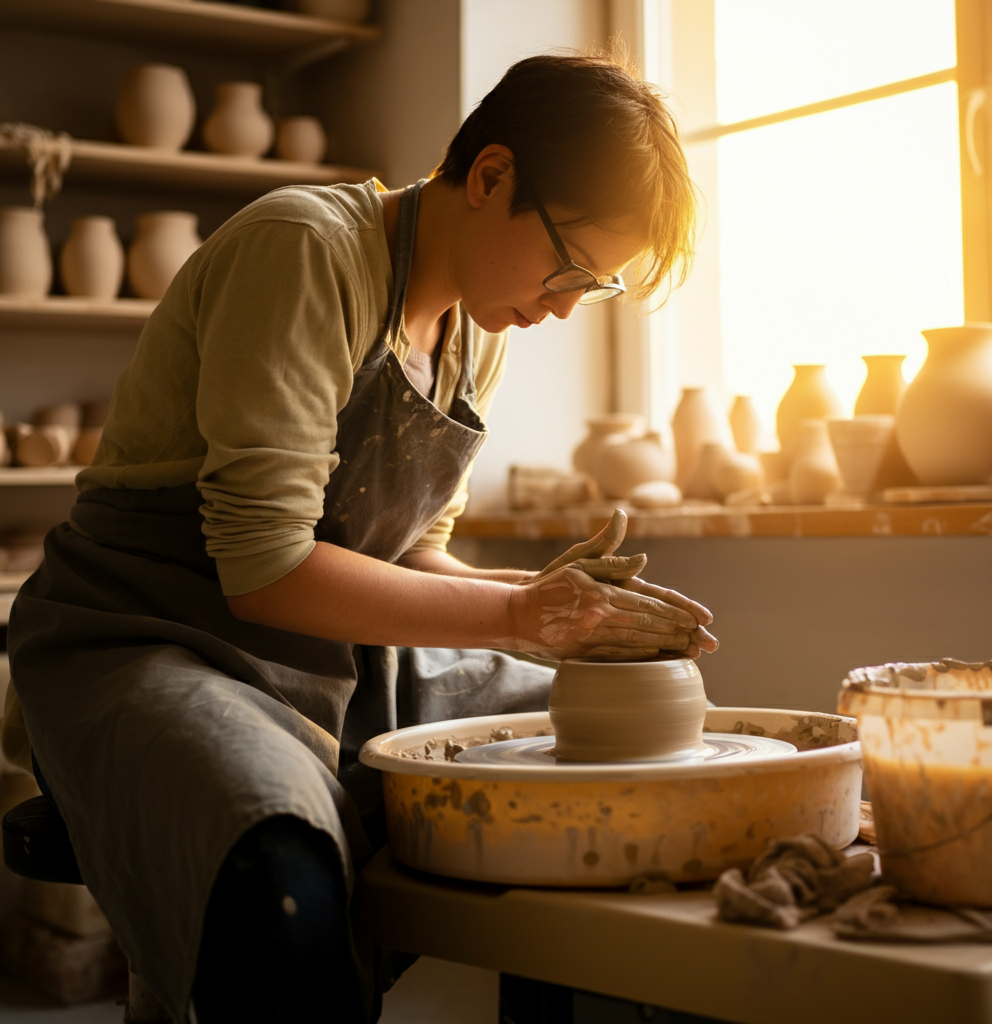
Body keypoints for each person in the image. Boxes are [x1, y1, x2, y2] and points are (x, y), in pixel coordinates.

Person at [3, 51, 717, 1023]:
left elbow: (412, 550)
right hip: (153, 633)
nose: (561, 306)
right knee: (275, 857)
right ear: (492, 174)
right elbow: (264, 569)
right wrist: (515, 612)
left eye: (591, 289)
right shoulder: (306, 250)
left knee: (622, 745)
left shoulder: (479, 330)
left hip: (335, 655)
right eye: (566, 267)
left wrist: (558, 608)